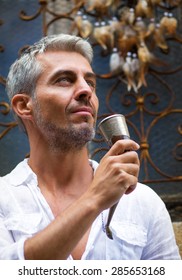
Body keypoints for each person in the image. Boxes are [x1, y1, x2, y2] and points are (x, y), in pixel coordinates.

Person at [0, 34, 180, 260]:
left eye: (90, 82)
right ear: (25, 105)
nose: (86, 91)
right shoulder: (4, 198)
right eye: (64, 80)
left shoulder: (142, 201)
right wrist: (94, 199)